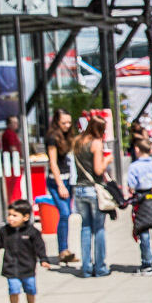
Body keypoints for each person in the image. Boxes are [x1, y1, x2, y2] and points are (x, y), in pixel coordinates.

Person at [0, 199, 51, 303]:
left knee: (30, 290)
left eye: (15, 215)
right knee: (13, 290)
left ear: (26, 217)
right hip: (11, 268)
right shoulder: (5, 231)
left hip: (28, 268)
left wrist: (44, 259)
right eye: (9, 214)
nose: (10, 218)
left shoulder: (32, 232)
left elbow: (39, 247)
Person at [72, 116, 112, 277]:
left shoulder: (77, 141)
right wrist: (107, 160)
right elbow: (98, 170)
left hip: (79, 189)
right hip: (93, 190)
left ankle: (86, 267)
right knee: (99, 228)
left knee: (85, 228)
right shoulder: (96, 143)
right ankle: (100, 266)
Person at [44, 108, 78, 264]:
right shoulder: (52, 137)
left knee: (68, 213)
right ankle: (62, 250)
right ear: (57, 122)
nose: (67, 125)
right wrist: (60, 185)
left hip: (69, 178)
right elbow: (52, 162)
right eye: (64, 122)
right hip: (57, 180)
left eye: (69, 122)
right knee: (64, 213)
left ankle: (65, 249)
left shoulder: (68, 135)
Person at [124, 138, 152, 273]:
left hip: (141, 199)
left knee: (143, 231)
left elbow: (131, 186)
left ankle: (147, 262)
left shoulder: (134, 166)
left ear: (137, 150)